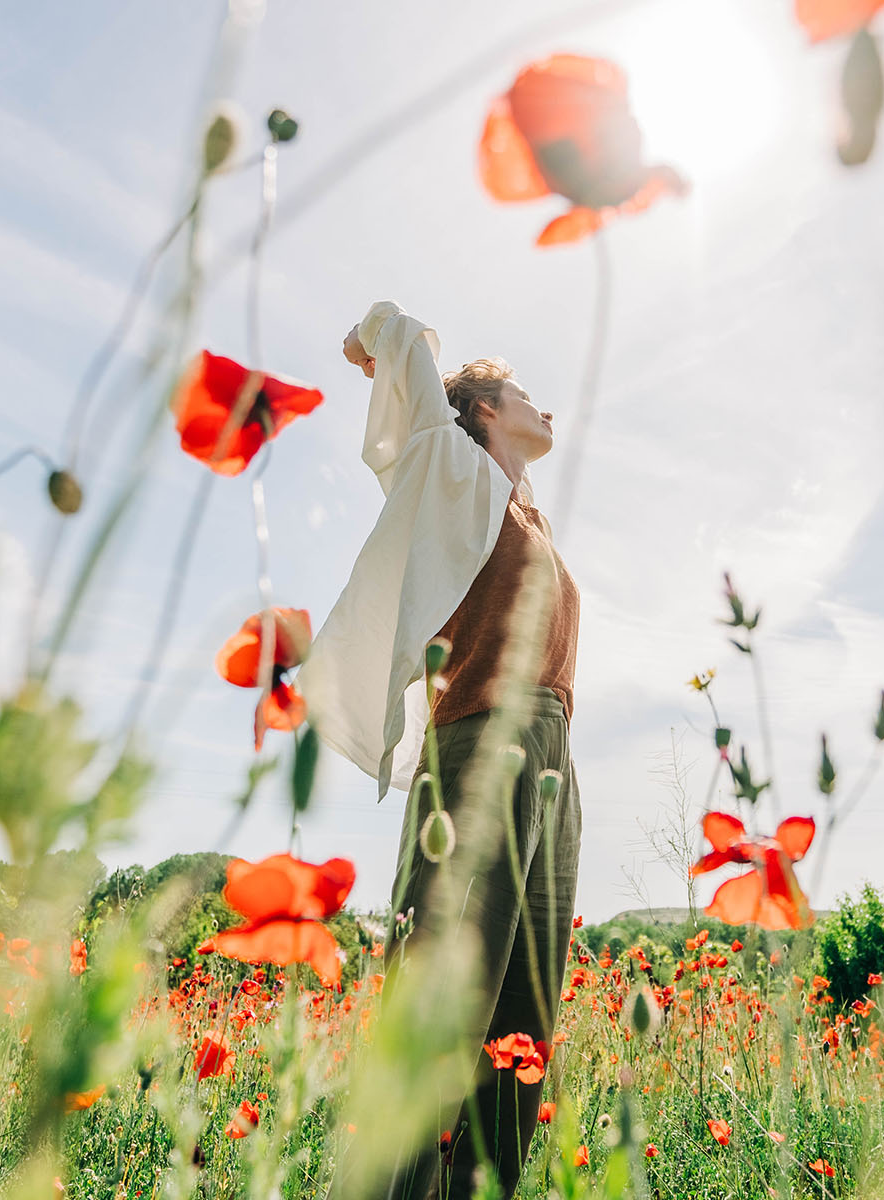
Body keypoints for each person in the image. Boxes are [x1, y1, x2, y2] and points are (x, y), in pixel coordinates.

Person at [300, 300, 582, 1199]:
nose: (549, 408)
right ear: (487, 411)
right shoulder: (451, 472)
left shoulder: (523, 514)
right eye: (526, 394)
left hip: (550, 753)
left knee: (522, 1018)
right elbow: (406, 350)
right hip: (476, 746)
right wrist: (376, 337)